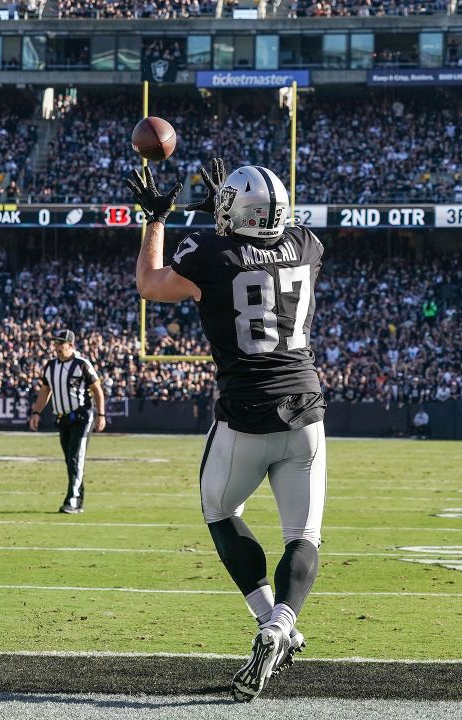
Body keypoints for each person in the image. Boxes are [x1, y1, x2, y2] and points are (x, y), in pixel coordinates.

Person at [127, 158, 324, 703]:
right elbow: (259, 245)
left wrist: (155, 219)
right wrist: (237, 217)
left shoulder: (211, 254)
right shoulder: (309, 245)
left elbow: (149, 283)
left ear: (232, 213)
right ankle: (282, 624)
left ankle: (267, 619)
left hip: (245, 411)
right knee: (302, 536)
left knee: (220, 511)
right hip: (306, 407)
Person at [29, 329, 107, 513]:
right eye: (55, 343)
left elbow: (97, 390)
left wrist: (101, 414)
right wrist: (36, 412)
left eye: (60, 343)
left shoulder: (82, 365)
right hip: (63, 418)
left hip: (82, 416)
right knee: (70, 459)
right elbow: (45, 391)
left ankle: (71, 500)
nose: (56, 347)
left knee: (75, 458)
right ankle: (77, 499)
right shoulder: (50, 366)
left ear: (71, 345)